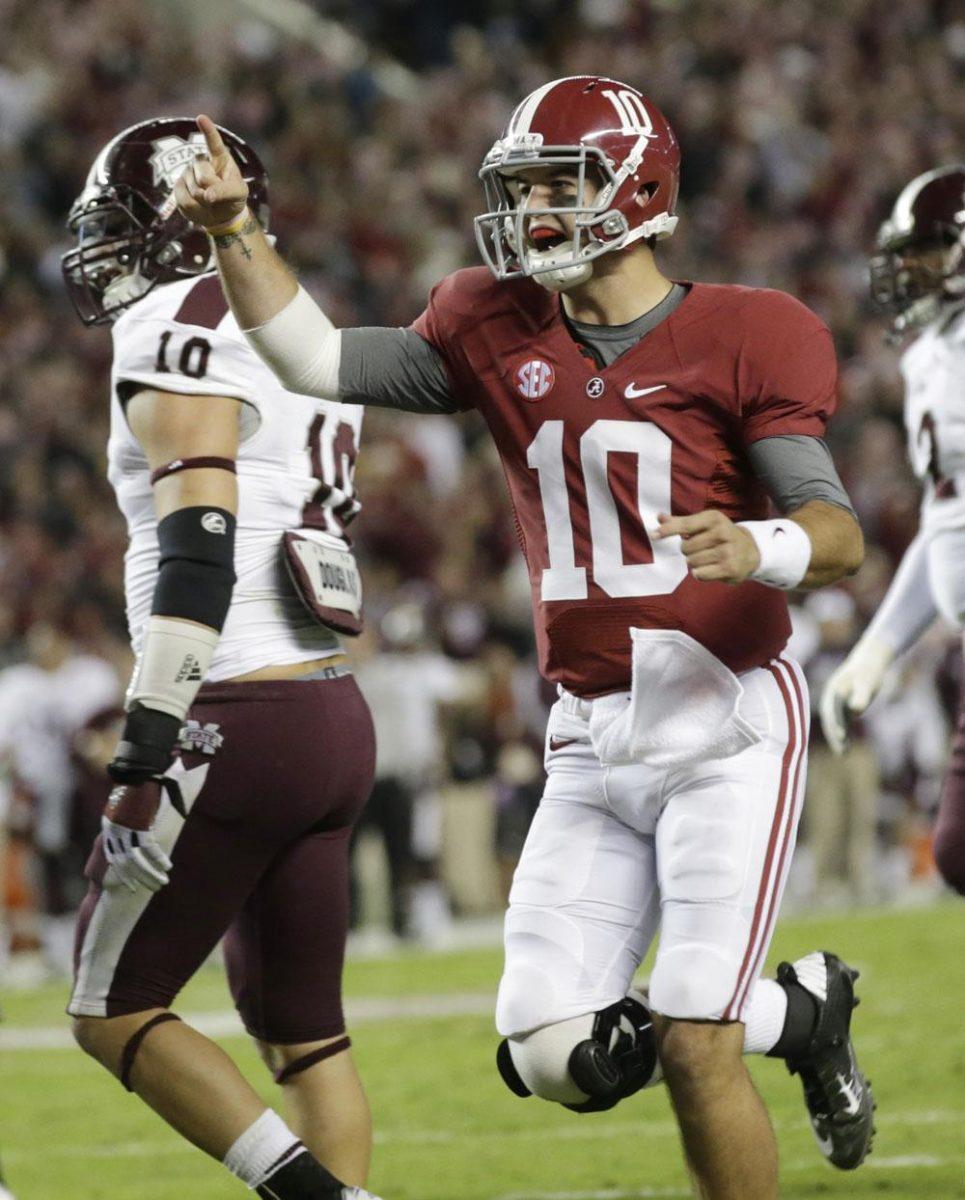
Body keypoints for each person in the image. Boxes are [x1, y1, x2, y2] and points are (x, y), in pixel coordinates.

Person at [174, 79, 875, 1196]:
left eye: (563, 180)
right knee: (555, 1055)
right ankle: (801, 1011)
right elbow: (314, 359)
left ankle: (747, 1025)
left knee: (696, 1045)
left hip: (725, 716)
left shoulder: (751, 329)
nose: (536, 207)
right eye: (525, 183)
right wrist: (234, 231)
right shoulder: (487, 319)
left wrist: (761, 548)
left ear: (636, 187)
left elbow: (835, 533)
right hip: (589, 732)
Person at [61, 118, 382, 1200]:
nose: (101, 255)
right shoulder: (295, 320)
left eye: (114, 226)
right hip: (329, 714)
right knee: (307, 1040)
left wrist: (149, 731)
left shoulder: (177, 316)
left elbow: (199, 546)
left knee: (112, 1010)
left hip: (230, 707)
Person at [821, 165, 965, 896]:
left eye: (928, 249)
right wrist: (875, 652)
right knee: (957, 853)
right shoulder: (925, 359)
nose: (907, 269)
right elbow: (947, 524)